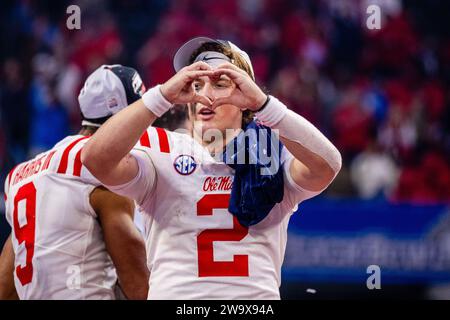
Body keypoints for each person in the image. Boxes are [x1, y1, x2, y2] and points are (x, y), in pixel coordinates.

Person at [82, 37, 342, 299]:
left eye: (220, 85)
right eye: (196, 84)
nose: (205, 95)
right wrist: (161, 96)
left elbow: (328, 166)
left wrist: (264, 105)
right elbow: (95, 159)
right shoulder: (161, 148)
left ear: (245, 96)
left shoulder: (271, 152)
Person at [0, 65, 149, 300]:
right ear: (128, 115)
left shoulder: (21, 174)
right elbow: (135, 277)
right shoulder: (103, 168)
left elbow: (6, 284)